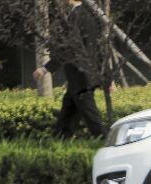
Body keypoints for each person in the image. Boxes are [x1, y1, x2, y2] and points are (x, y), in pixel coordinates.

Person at [32, 0, 106, 139]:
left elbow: (70, 48)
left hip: (80, 76)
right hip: (79, 76)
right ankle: (59, 140)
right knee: (68, 113)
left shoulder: (77, 17)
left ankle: (107, 142)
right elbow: (97, 49)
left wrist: (45, 68)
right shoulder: (86, 16)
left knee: (91, 117)